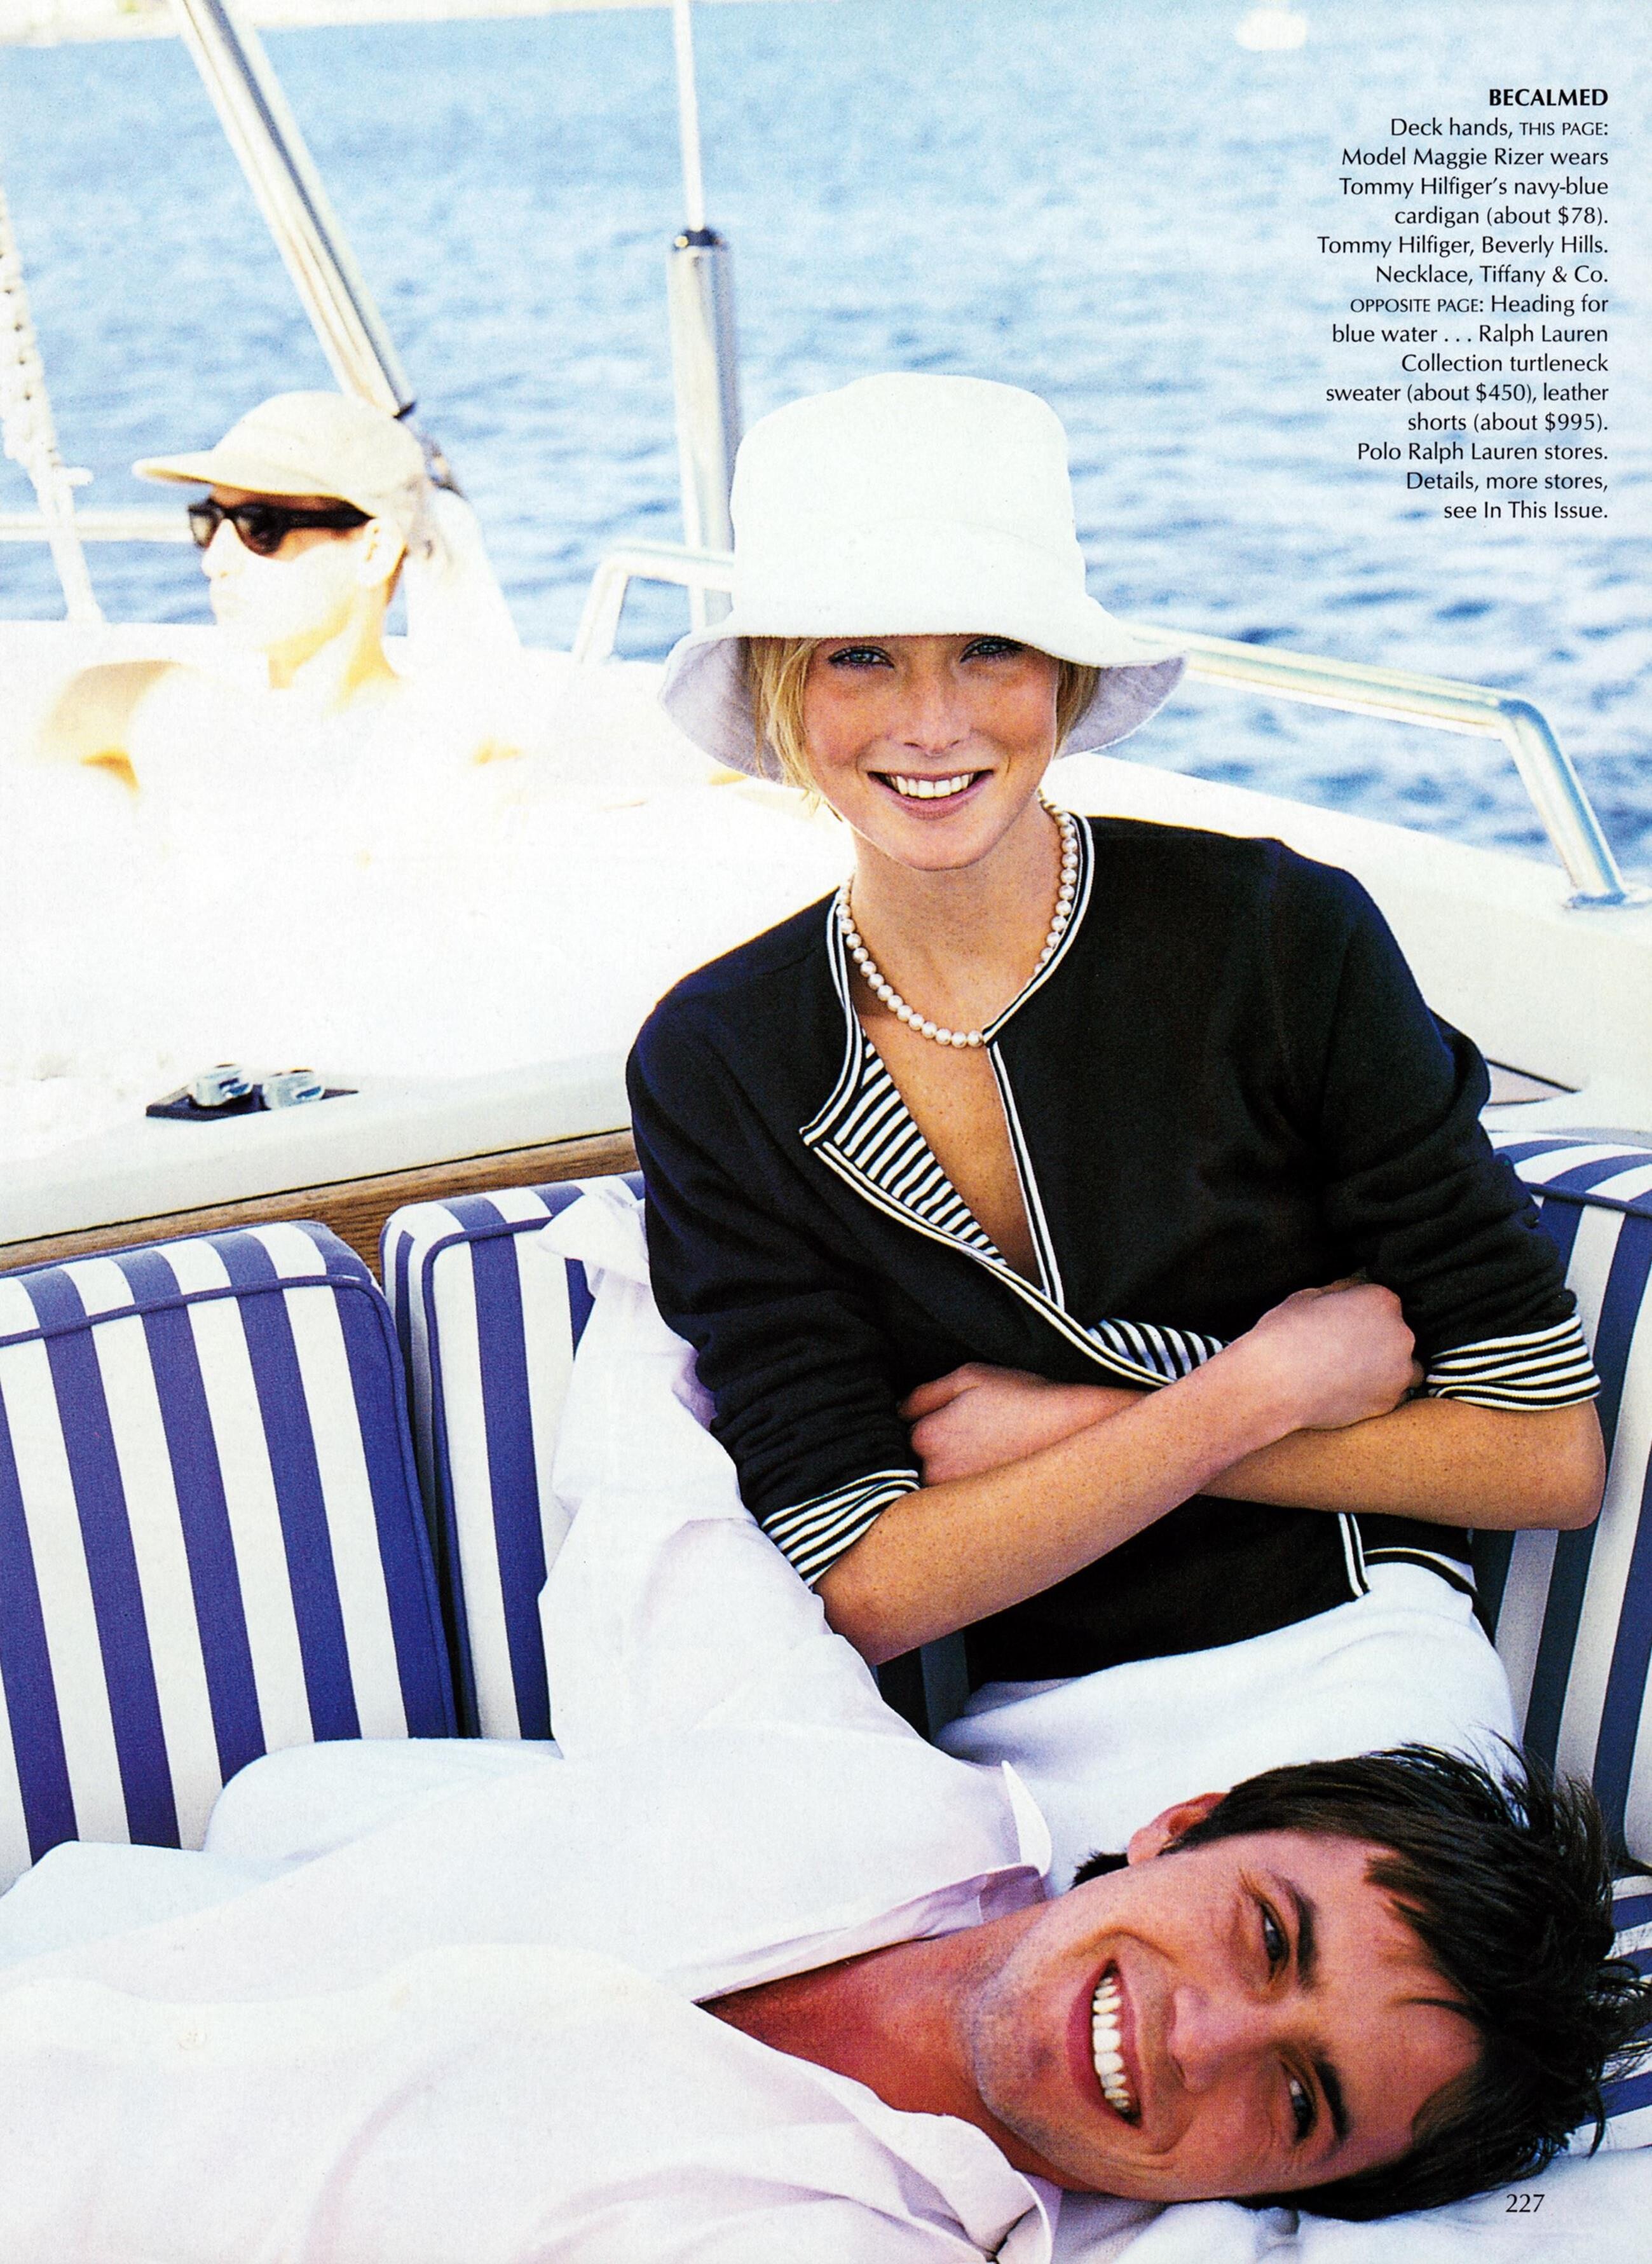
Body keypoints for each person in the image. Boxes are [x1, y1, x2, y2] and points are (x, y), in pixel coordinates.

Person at [0, 1184, 1639, 2259]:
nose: (1201, 2038)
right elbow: (665, 1527)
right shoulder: (863, 1796)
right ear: (1181, 1822)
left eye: (1296, 2103)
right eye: (1266, 1934)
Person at [625, 373, 1606, 1873]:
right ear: (783, 689)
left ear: (1063, 681)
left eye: (990, 648)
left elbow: (1542, 1453)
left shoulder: (1276, 936)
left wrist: (1079, 1427)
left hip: (1359, 1650)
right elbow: (867, 1580)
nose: (933, 721)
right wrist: (1255, 1386)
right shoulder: (721, 1056)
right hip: (1018, 1737)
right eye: (860, 656)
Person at [31, 390, 521, 800]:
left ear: (375, 551)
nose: (214, 562)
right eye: (209, 522)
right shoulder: (155, 707)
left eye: (259, 526)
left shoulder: (443, 758)